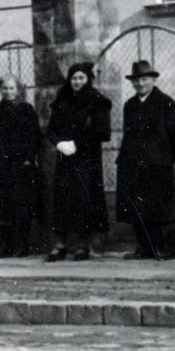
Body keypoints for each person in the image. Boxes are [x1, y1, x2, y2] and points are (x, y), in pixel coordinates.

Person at [114, 60, 175, 261]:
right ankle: (145, 248)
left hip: (158, 166)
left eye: (144, 79)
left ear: (153, 80)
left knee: (161, 209)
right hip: (133, 166)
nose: (140, 84)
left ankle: (167, 249)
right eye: (136, 80)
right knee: (138, 209)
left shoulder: (167, 104)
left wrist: (163, 159)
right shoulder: (130, 105)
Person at [44, 61, 112, 262]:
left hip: (87, 159)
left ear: (88, 79)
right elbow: (51, 129)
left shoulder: (97, 101)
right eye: (73, 78)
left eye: (81, 78)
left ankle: (83, 245)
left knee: (84, 198)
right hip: (65, 158)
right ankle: (60, 244)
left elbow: (103, 132)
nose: (77, 82)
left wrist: (77, 144)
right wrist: (59, 143)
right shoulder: (61, 99)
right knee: (62, 198)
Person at [0, 76, 41, 257]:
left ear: (18, 90)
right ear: (0, 90)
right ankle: (4, 245)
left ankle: (21, 245)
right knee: (3, 206)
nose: (8, 92)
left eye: (11, 88)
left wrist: (29, 159)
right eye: (4, 88)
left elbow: (34, 136)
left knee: (21, 205)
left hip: (21, 164)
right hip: (2, 165)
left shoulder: (26, 110)